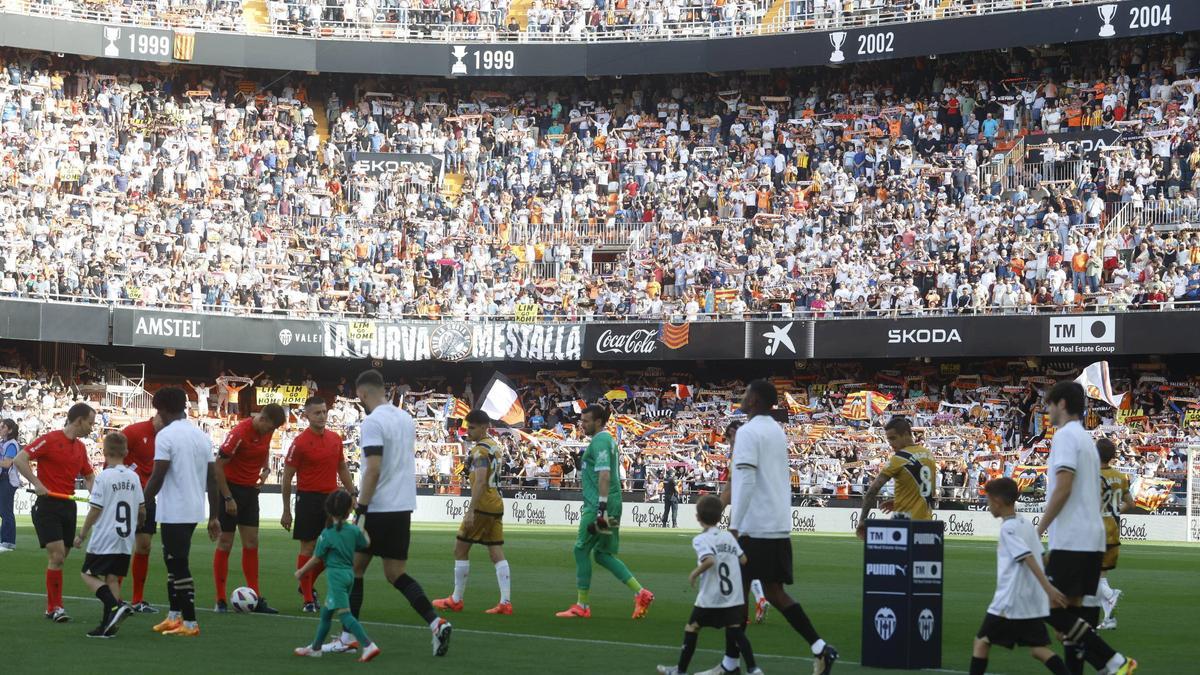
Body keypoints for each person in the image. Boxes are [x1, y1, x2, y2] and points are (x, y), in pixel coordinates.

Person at [323, 369, 452, 656]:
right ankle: (435, 622)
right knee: (396, 574)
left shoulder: (372, 422)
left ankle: (348, 637)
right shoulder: (405, 418)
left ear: (363, 393)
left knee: (353, 570)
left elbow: (374, 469)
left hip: (378, 507)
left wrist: (362, 510)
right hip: (402, 507)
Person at [721, 380, 837, 675]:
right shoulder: (776, 431)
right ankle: (820, 647)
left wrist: (734, 527)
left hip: (753, 527)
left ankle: (731, 664)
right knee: (774, 592)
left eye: (747, 394)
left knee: (737, 594)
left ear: (756, 400)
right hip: (776, 524)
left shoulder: (748, 432)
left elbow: (745, 481)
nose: (743, 398)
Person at [1035, 382, 1137, 675]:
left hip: (1075, 539)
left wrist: (1039, 528)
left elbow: (1064, 486)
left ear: (1062, 404)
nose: (1047, 410)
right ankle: (1097, 668)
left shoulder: (1066, 436)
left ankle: (1113, 661)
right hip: (1092, 539)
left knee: (1046, 606)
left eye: (1049, 404)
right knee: (1074, 619)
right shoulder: (1087, 442)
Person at [556, 404, 655, 620]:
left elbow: (604, 474)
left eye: (586, 421)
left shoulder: (601, 440)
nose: (582, 425)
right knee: (601, 554)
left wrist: (600, 508)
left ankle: (582, 605)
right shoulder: (606, 440)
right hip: (613, 503)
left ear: (599, 422)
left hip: (599, 505)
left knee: (581, 549)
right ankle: (641, 593)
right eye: (582, 421)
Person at [970, 477, 1071, 675]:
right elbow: (1042, 558)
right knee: (1038, 650)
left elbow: (1028, 559)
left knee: (981, 642)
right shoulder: (1024, 523)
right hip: (1028, 600)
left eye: (988, 500)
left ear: (997, 501)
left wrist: (1049, 589)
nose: (988, 505)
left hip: (1009, 601)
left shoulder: (1009, 528)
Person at [143, 386, 221, 637]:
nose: (157, 415)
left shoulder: (166, 436)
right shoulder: (201, 436)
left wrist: (142, 502)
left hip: (174, 509)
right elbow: (212, 479)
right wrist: (214, 516)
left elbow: (157, 475)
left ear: (163, 409)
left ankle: (190, 622)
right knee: (172, 561)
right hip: (193, 507)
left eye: (157, 410)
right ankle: (174, 616)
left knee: (178, 564)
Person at [655, 495, 760, 675]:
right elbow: (743, 560)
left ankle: (680, 670)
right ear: (720, 517)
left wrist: (695, 572)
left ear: (698, 518)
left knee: (692, 627)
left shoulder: (701, 540)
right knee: (736, 631)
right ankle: (753, 669)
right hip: (732, 597)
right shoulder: (728, 536)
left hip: (711, 597)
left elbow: (710, 560)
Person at [14, 403, 97, 623]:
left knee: (59, 559)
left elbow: (88, 476)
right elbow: (20, 459)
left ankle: (52, 607)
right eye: (90, 422)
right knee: (57, 555)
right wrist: (37, 483)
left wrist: (96, 495)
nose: (92, 427)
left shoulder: (80, 448)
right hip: (47, 504)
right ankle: (55, 607)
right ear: (79, 420)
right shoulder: (50, 439)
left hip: (68, 506)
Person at [433, 409, 513, 615]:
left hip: (483, 505)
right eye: (468, 427)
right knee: (496, 551)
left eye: (473, 427)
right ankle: (505, 602)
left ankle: (456, 599)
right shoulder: (495, 446)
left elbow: (479, 481)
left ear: (485, 427)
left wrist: (470, 510)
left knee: (460, 549)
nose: (469, 431)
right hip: (496, 503)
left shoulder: (479, 451)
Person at [282, 396, 357, 613]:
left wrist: (352, 493)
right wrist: (286, 510)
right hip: (308, 499)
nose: (322, 416)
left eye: (324, 411)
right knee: (308, 547)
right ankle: (307, 599)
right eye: (317, 413)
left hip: (333, 501)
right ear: (306, 416)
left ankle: (305, 584)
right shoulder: (299, 443)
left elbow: (342, 467)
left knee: (334, 550)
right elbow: (287, 478)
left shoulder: (335, 439)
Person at [212, 404, 286, 614]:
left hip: (250, 491)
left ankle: (255, 597)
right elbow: (218, 466)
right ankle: (220, 600)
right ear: (262, 418)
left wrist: (266, 469)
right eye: (269, 427)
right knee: (225, 542)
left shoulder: (268, 431)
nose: (270, 432)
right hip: (230, 490)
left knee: (252, 542)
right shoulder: (239, 433)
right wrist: (227, 498)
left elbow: (265, 450)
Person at [294, 490, 381, 662]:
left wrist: (302, 571)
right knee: (326, 614)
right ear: (349, 511)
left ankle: (368, 645)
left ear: (328, 510)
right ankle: (316, 648)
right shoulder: (352, 531)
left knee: (345, 615)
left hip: (336, 578)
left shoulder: (327, 534)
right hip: (349, 576)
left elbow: (316, 558)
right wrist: (361, 529)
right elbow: (367, 543)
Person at [73, 433, 144, 638]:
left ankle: (116, 606)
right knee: (112, 579)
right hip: (125, 538)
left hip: (106, 536)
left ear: (104, 453)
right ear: (126, 453)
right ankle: (107, 626)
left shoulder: (104, 476)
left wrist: (82, 534)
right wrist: (137, 524)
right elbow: (142, 509)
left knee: (87, 573)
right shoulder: (134, 476)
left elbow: (95, 509)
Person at [856, 416, 938, 539]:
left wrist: (862, 521)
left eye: (893, 438)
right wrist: (900, 501)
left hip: (903, 526)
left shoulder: (899, 458)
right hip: (926, 527)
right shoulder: (929, 455)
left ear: (906, 434)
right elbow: (929, 493)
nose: (891, 444)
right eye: (889, 440)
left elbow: (873, 490)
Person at [721, 420, 769, 624]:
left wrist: (716, 512)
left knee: (738, 562)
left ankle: (742, 610)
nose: (731, 440)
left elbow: (731, 490)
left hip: (744, 515)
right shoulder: (748, 453)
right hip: (756, 513)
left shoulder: (741, 456)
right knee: (746, 562)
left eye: (733, 435)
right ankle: (758, 600)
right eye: (729, 436)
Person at [121, 414, 163, 613]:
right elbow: (113, 454)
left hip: (147, 495)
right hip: (125, 494)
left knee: (144, 546)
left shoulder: (167, 437)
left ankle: (138, 600)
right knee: (122, 545)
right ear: (157, 415)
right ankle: (116, 597)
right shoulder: (134, 431)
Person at [1096, 438, 1132, 630]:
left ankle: (1111, 596)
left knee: (1085, 576)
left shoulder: (1093, 476)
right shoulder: (1120, 476)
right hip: (1113, 530)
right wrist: (1114, 512)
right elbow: (1130, 503)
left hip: (1095, 531)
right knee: (1100, 577)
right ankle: (1109, 620)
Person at [0, 418, 19, 552]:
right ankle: (5, 540)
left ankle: (8, 542)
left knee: (6, 511)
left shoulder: (11, 444)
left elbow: (7, 463)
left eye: (3, 427)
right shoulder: (4, 443)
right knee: (3, 511)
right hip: (3, 479)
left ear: (10, 430)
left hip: (7, 479)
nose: (0, 429)